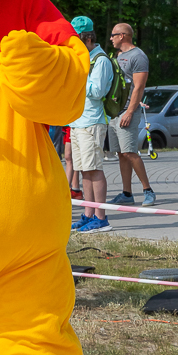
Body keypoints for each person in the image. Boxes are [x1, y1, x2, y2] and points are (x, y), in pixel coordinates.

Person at [68, 16, 113, 233]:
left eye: (75, 39)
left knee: (94, 169)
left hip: (93, 122)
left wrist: (78, 76)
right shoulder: (82, 59)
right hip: (78, 121)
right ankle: (88, 214)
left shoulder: (100, 60)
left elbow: (97, 92)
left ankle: (101, 218)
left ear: (86, 39)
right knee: (84, 170)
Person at [108, 22, 155, 206]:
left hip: (128, 112)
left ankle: (148, 190)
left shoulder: (138, 56)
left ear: (122, 36)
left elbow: (139, 86)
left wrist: (130, 111)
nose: (111, 38)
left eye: (113, 35)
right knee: (121, 153)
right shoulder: (117, 56)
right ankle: (127, 194)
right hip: (114, 112)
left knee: (130, 152)